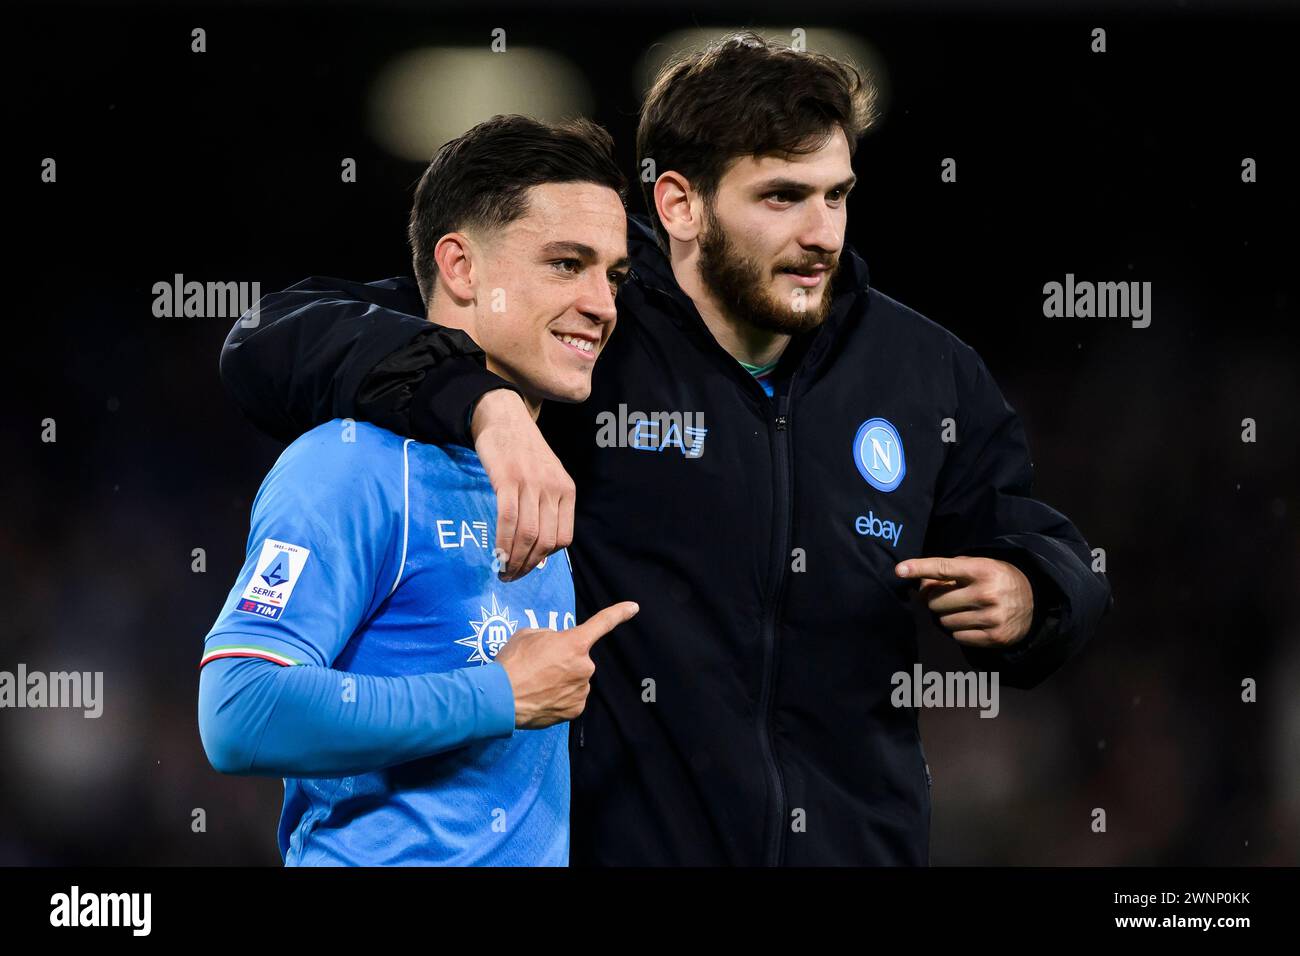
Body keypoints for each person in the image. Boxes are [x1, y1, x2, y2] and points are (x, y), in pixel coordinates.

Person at [220, 33, 1112, 865]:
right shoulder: (586, 335)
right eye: (781, 197)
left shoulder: (926, 374)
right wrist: (485, 404)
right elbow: (280, 333)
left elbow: (1040, 541)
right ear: (680, 203)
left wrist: (1033, 593)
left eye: (836, 195)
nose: (824, 234)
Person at [198, 114, 637, 865]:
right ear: (461, 269)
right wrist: (497, 697)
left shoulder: (544, 471)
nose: (603, 303)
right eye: (567, 264)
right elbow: (239, 711)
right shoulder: (348, 464)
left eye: (614, 274)